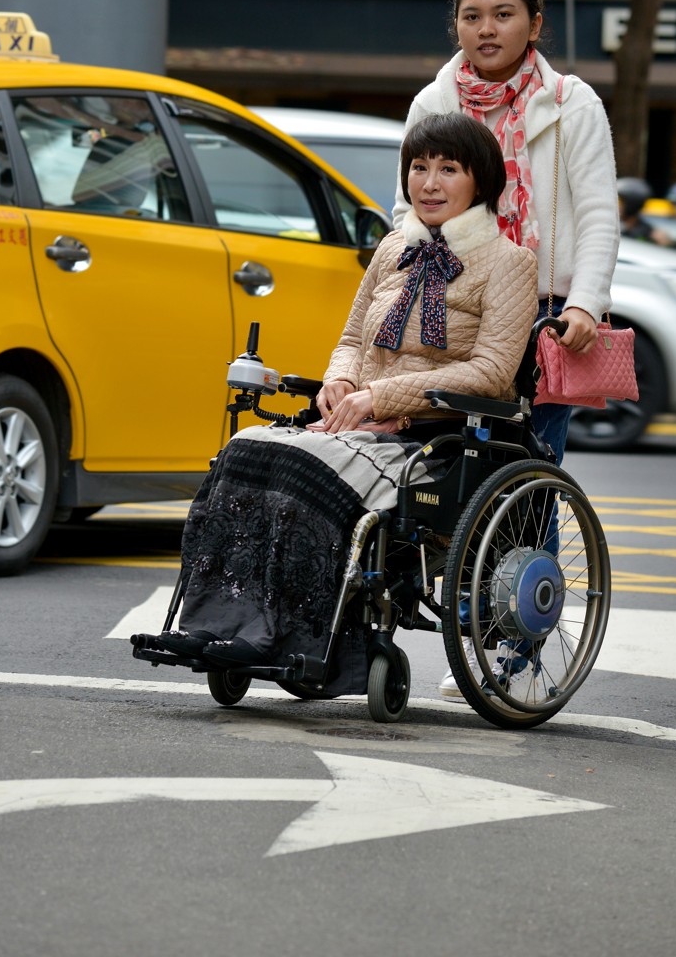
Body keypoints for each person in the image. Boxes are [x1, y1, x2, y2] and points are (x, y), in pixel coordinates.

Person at [145, 113, 538, 695]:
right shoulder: (392, 250)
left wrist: (382, 396)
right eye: (419, 168)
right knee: (244, 449)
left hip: (435, 440)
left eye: (447, 170)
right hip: (358, 422)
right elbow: (353, 340)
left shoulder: (510, 263)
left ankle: (301, 636)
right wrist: (339, 382)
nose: (428, 183)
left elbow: (491, 373)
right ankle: (225, 623)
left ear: (479, 182)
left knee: (306, 469)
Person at [391, 0, 620, 699]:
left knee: (526, 480)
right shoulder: (436, 96)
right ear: (455, 25)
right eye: (472, 16)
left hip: (548, 319)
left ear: (535, 24)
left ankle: (515, 643)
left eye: (503, 14)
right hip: (451, 306)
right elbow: (409, 205)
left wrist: (585, 301)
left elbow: (596, 214)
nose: (486, 29)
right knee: (438, 473)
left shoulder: (570, 103)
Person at [617, 176, 676, 246]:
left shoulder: (650, 235)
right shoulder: (610, 226)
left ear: (632, 204)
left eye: (619, 201)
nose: (615, 205)